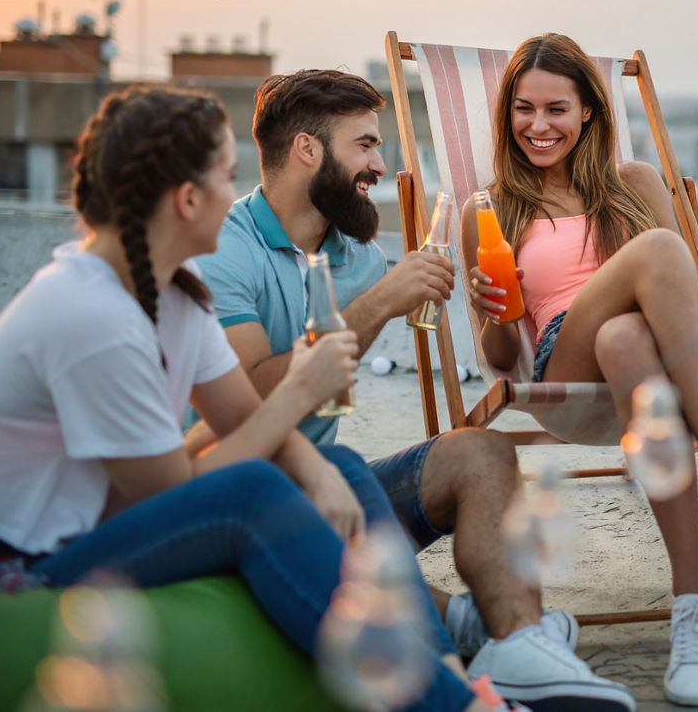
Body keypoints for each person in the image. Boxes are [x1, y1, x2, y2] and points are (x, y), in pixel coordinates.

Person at [0, 86, 520, 712]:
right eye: (223, 175)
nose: (236, 191)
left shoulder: (176, 294)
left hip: (102, 527)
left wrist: (320, 475)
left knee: (341, 466)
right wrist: (300, 387)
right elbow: (179, 492)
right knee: (253, 492)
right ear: (187, 200)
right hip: (26, 563)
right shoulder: (91, 315)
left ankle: (444, 677)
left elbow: (241, 413)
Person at [190, 70, 632, 710]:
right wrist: (378, 304)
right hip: (239, 487)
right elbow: (253, 400)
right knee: (327, 488)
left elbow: (327, 390)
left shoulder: (358, 255)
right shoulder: (227, 250)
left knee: (480, 452)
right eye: (364, 146)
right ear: (309, 151)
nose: (378, 164)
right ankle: (471, 645)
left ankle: (518, 646)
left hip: (325, 485)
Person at [461, 32, 698, 707]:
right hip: (561, 363)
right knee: (660, 252)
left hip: (648, 367)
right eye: (524, 108)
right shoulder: (490, 208)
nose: (538, 125)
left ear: (589, 115)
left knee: (628, 336)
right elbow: (497, 358)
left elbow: (688, 302)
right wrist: (491, 312)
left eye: (557, 109)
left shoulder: (632, 183)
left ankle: (696, 604)